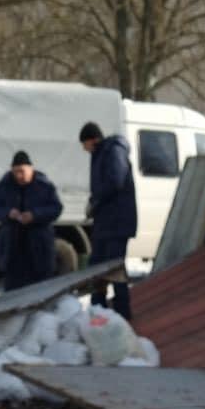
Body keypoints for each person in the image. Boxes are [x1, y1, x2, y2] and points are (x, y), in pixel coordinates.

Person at [79, 121, 137, 320]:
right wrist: (93, 203)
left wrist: (95, 202)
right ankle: (99, 311)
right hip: (105, 223)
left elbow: (116, 181)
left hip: (117, 223)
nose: (84, 149)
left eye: (84, 144)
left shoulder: (113, 150)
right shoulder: (100, 154)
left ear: (92, 139)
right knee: (97, 267)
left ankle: (122, 313)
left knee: (114, 268)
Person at [0, 150, 63, 290]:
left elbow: (56, 208)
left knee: (41, 288)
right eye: (16, 172)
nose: (19, 176)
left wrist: (35, 215)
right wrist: (8, 213)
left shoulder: (44, 185)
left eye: (22, 171)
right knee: (13, 289)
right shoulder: (4, 185)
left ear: (31, 169)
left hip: (39, 246)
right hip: (12, 247)